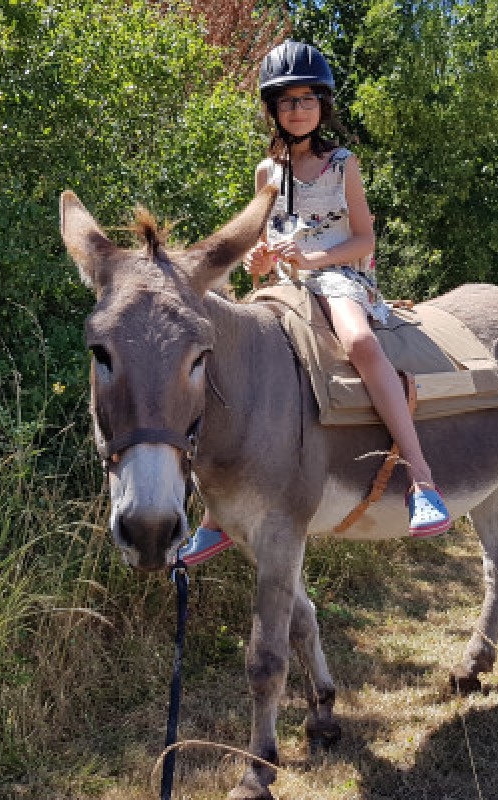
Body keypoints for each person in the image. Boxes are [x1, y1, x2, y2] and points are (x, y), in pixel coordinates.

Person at [179, 40, 450, 565]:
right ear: (273, 109)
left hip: (337, 277)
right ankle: (216, 515)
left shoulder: (342, 164)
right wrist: (260, 259)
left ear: (322, 104)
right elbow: (263, 247)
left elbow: (364, 239)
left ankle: (421, 480)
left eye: (307, 99)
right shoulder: (266, 172)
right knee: (229, 362)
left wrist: (312, 258)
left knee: (360, 342)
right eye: (287, 101)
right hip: (283, 288)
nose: (297, 109)